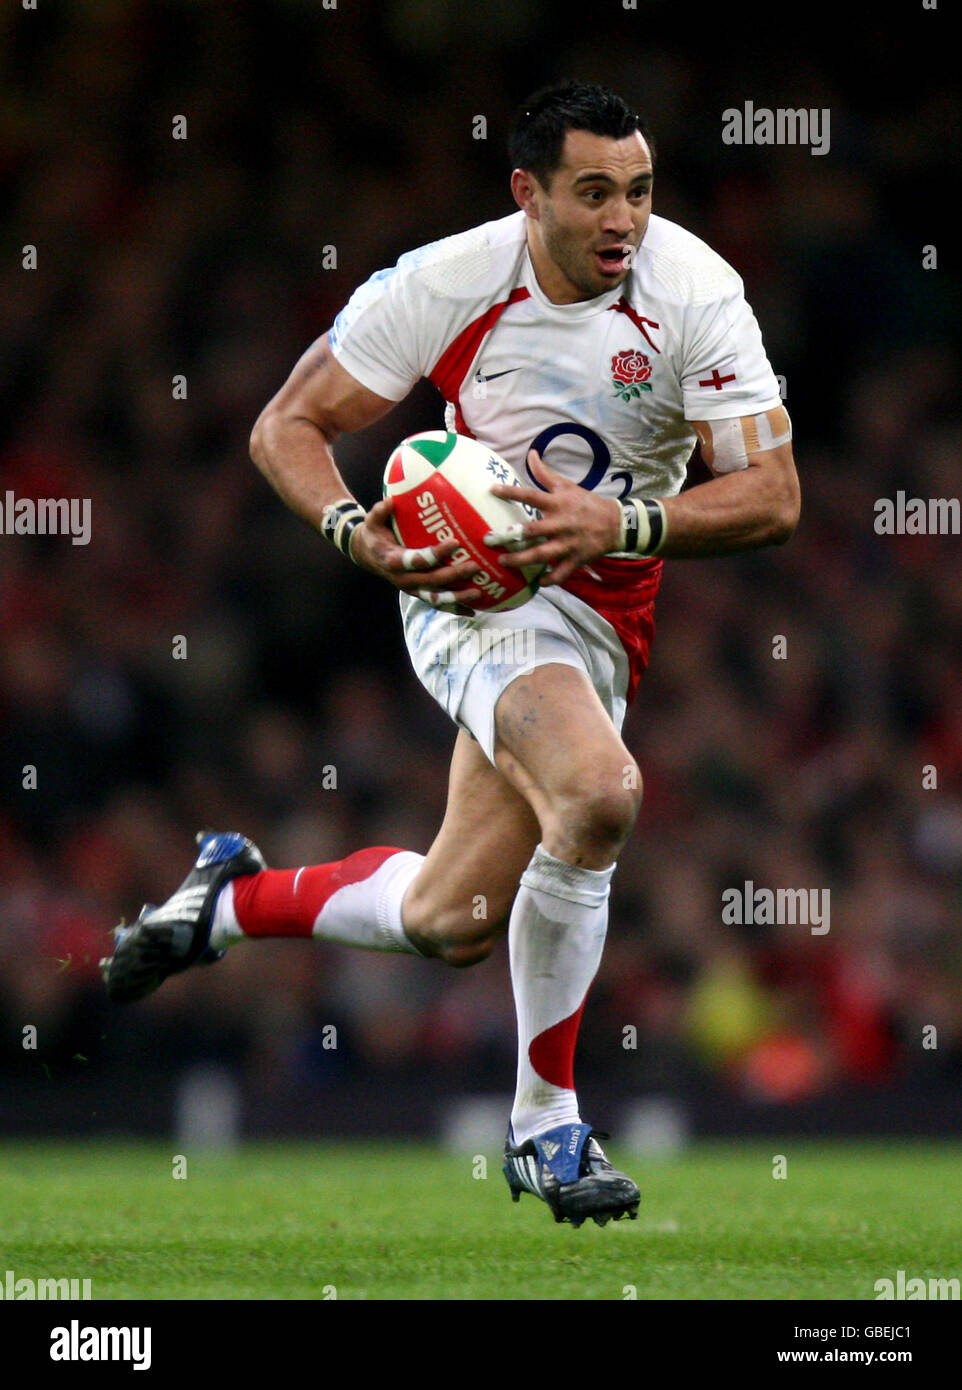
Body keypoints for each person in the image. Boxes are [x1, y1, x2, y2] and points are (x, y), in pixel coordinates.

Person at [102, 80, 799, 1227]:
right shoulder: (447, 281)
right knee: (599, 791)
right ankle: (546, 1126)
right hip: (475, 590)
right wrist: (349, 530)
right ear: (527, 194)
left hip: (606, 606)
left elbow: (772, 497)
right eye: (591, 194)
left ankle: (230, 901)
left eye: (637, 191)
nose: (621, 219)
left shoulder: (695, 293)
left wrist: (617, 525)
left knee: (451, 918)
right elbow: (286, 425)